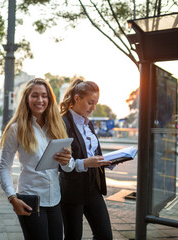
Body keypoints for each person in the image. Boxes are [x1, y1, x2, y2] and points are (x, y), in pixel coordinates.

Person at [0, 78, 75, 240]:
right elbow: (4, 167)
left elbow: (69, 167)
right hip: (30, 199)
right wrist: (12, 198)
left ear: (50, 99)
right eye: (35, 95)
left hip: (55, 199)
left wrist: (67, 161)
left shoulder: (57, 127)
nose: (40, 100)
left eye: (44, 96)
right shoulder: (16, 128)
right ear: (26, 98)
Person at [59, 78, 113, 240]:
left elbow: (91, 153)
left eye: (95, 103)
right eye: (90, 102)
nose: (93, 107)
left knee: (105, 235)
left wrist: (109, 160)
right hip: (72, 189)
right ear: (77, 98)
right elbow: (60, 163)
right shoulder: (63, 123)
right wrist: (86, 163)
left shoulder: (88, 124)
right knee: (73, 236)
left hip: (93, 187)